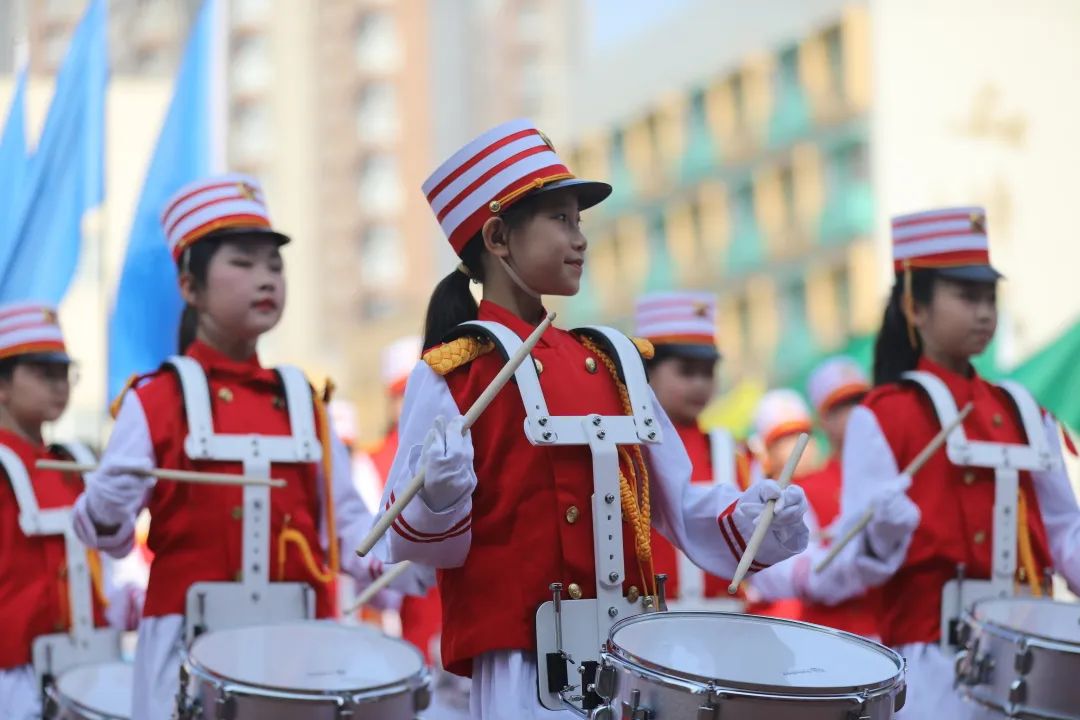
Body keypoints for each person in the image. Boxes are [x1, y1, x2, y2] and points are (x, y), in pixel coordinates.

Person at [375, 118, 810, 719]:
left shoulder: (614, 362)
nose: (580, 239)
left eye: (578, 222)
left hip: (632, 656)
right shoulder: (455, 371)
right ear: (498, 237)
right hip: (523, 664)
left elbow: (679, 502)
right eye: (560, 220)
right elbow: (405, 535)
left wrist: (755, 517)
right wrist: (439, 494)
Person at [73, 174, 430, 720]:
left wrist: (422, 540)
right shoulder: (155, 399)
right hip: (186, 658)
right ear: (190, 286)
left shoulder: (304, 401)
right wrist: (106, 501)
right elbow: (107, 536)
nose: (265, 278)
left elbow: (350, 529)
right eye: (242, 263)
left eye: (274, 265)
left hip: (300, 658)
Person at [805, 206, 1080, 718]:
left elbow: (1066, 532)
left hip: (1032, 663)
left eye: (989, 297)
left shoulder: (1022, 411)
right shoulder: (882, 416)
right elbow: (851, 558)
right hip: (931, 665)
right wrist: (881, 536)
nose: (984, 312)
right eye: (967, 296)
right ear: (915, 307)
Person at [0, 303, 137, 718]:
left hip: (87, 668)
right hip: (12, 676)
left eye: (64, 373)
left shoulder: (74, 465)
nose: (59, 385)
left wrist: (125, 605)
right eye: (43, 372)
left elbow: (99, 573)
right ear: (2, 384)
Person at [634, 290, 750, 608]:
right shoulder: (627, 449)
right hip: (651, 620)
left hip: (726, 621)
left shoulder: (732, 451)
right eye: (686, 371)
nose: (700, 384)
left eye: (707, 372)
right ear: (646, 372)